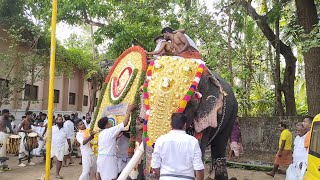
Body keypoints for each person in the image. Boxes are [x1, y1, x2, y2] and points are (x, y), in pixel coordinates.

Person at [151, 113, 205, 180]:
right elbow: (199, 169)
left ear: (171, 125)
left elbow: (155, 165)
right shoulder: (193, 142)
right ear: (185, 125)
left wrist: (164, 176)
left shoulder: (160, 140)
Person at [97, 104, 135, 180]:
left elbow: (108, 142)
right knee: (113, 178)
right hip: (108, 160)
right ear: (107, 124)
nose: (111, 123)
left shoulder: (101, 133)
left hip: (101, 158)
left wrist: (116, 137)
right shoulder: (110, 130)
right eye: (109, 122)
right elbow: (125, 123)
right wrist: (129, 111)